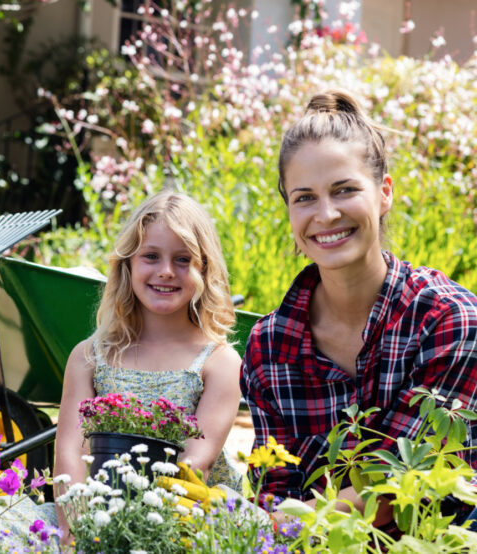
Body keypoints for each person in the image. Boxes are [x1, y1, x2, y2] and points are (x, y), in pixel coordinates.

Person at [240, 89, 477, 527]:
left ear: (384, 193)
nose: (326, 215)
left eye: (344, 190)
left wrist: (271, 528)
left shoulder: (449, 320)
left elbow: (400, 484)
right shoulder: (268, 349)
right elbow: (273, 485)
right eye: (304, 197)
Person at [55, 191, 243, 538]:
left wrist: (133, 537)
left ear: (205, 269)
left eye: (183, 260)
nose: (166, 272)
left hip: (184, 515)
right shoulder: (90, 357)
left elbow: (193, 465)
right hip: (92, 516)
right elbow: (70, 456)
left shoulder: (218, 363)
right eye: (151, 256)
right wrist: (78, 534)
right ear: (127, 264)